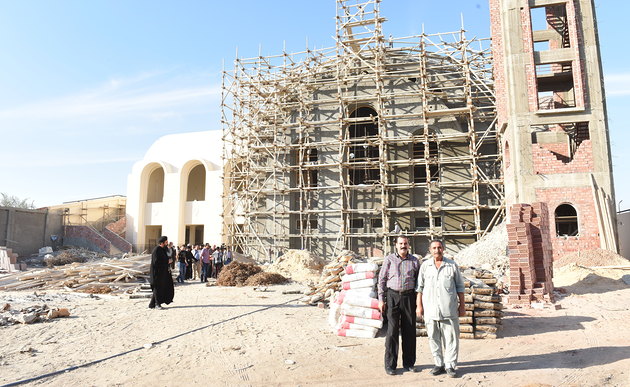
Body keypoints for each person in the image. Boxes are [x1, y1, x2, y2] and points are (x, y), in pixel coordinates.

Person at [416, 240, 466, 378]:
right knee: (433, 338)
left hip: (448, 310)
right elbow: (419, 288)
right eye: (434, 248)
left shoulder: (451, 265)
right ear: (430, 250)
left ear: (443, 249)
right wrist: (419, 306)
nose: (437, 250)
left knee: (451, 339)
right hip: (431, 310)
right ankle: (438, 364)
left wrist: (462, 306)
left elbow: (460, 288)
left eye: (439, 247)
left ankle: (450, 365)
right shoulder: (425, 266)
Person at [377, 235, 421, 375]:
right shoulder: (389, 259)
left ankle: (409, 363)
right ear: (395, 245)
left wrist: (418, 301)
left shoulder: (414, 260)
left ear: (409, 245)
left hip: (409, 297)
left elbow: (419, 281)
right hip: (392, 296)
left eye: (406, 243)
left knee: (409, 330)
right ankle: (390, 365)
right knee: (392, 331)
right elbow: (382, 280)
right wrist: (380, 299)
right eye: (401, 243)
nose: (403, 246)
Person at [148, 236, 174, 309]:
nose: (167, 244)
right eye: (166, 242)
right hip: (157, 273)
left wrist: (168, 262)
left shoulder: (162, 250)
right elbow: (156, 262)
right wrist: (167, 261)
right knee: (157, 288)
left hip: (162, 273)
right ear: (162, 243)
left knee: (159, 288)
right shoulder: (156, 250)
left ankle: (152, 304)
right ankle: (157, 304)